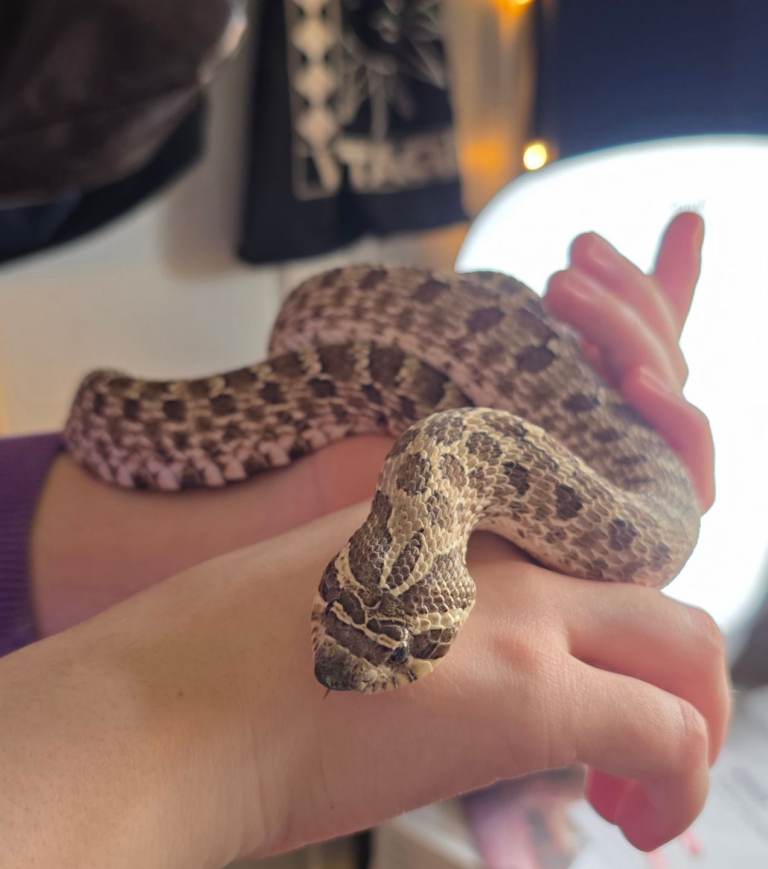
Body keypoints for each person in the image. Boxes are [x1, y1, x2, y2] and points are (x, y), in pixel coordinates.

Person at [0, 212, 728, 866]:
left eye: (400, 644)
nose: (341, 666)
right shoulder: (430, 475)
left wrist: (310, 499)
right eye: (345, 616)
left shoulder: (439, 472)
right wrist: (239, 758)